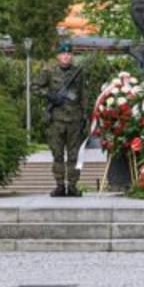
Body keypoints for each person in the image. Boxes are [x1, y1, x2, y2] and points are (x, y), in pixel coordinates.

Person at [30, 44, 90, 196]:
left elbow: (83, 95)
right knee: (57, 155)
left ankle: (73, 186)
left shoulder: (78, 72)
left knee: (73, 155)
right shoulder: (48, 72)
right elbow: (34, 87)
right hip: (56, 120)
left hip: (75, 120)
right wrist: (50, 95)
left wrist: (84, 116)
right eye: (63, 54)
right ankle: (59, 185)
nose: (66, 56)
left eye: (69, 54)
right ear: (58, 56)